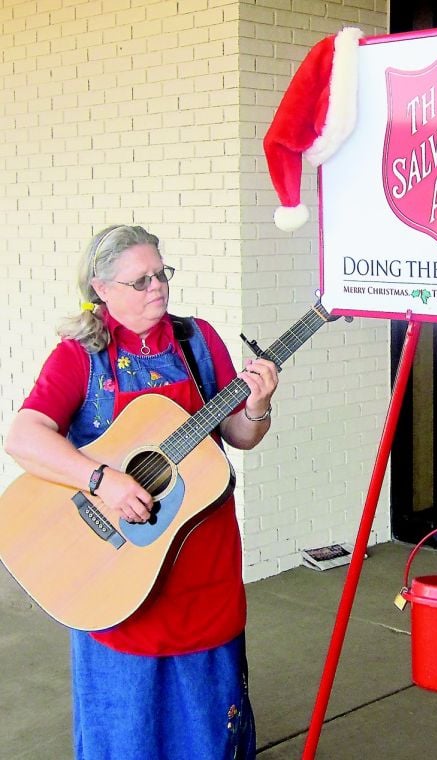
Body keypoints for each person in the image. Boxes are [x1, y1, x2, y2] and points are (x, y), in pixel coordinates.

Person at [4, 224, 279, 760]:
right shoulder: (79, 357)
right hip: (120, 566)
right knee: (129, 717)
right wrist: (101, 479)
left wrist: (258, 404)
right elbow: (23, 436)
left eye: (161, 274)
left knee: (207, 709)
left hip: (202, 556)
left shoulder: (197, 341)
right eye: (140, 280)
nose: (157, 287)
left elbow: (240, 437)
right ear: (102, 290)